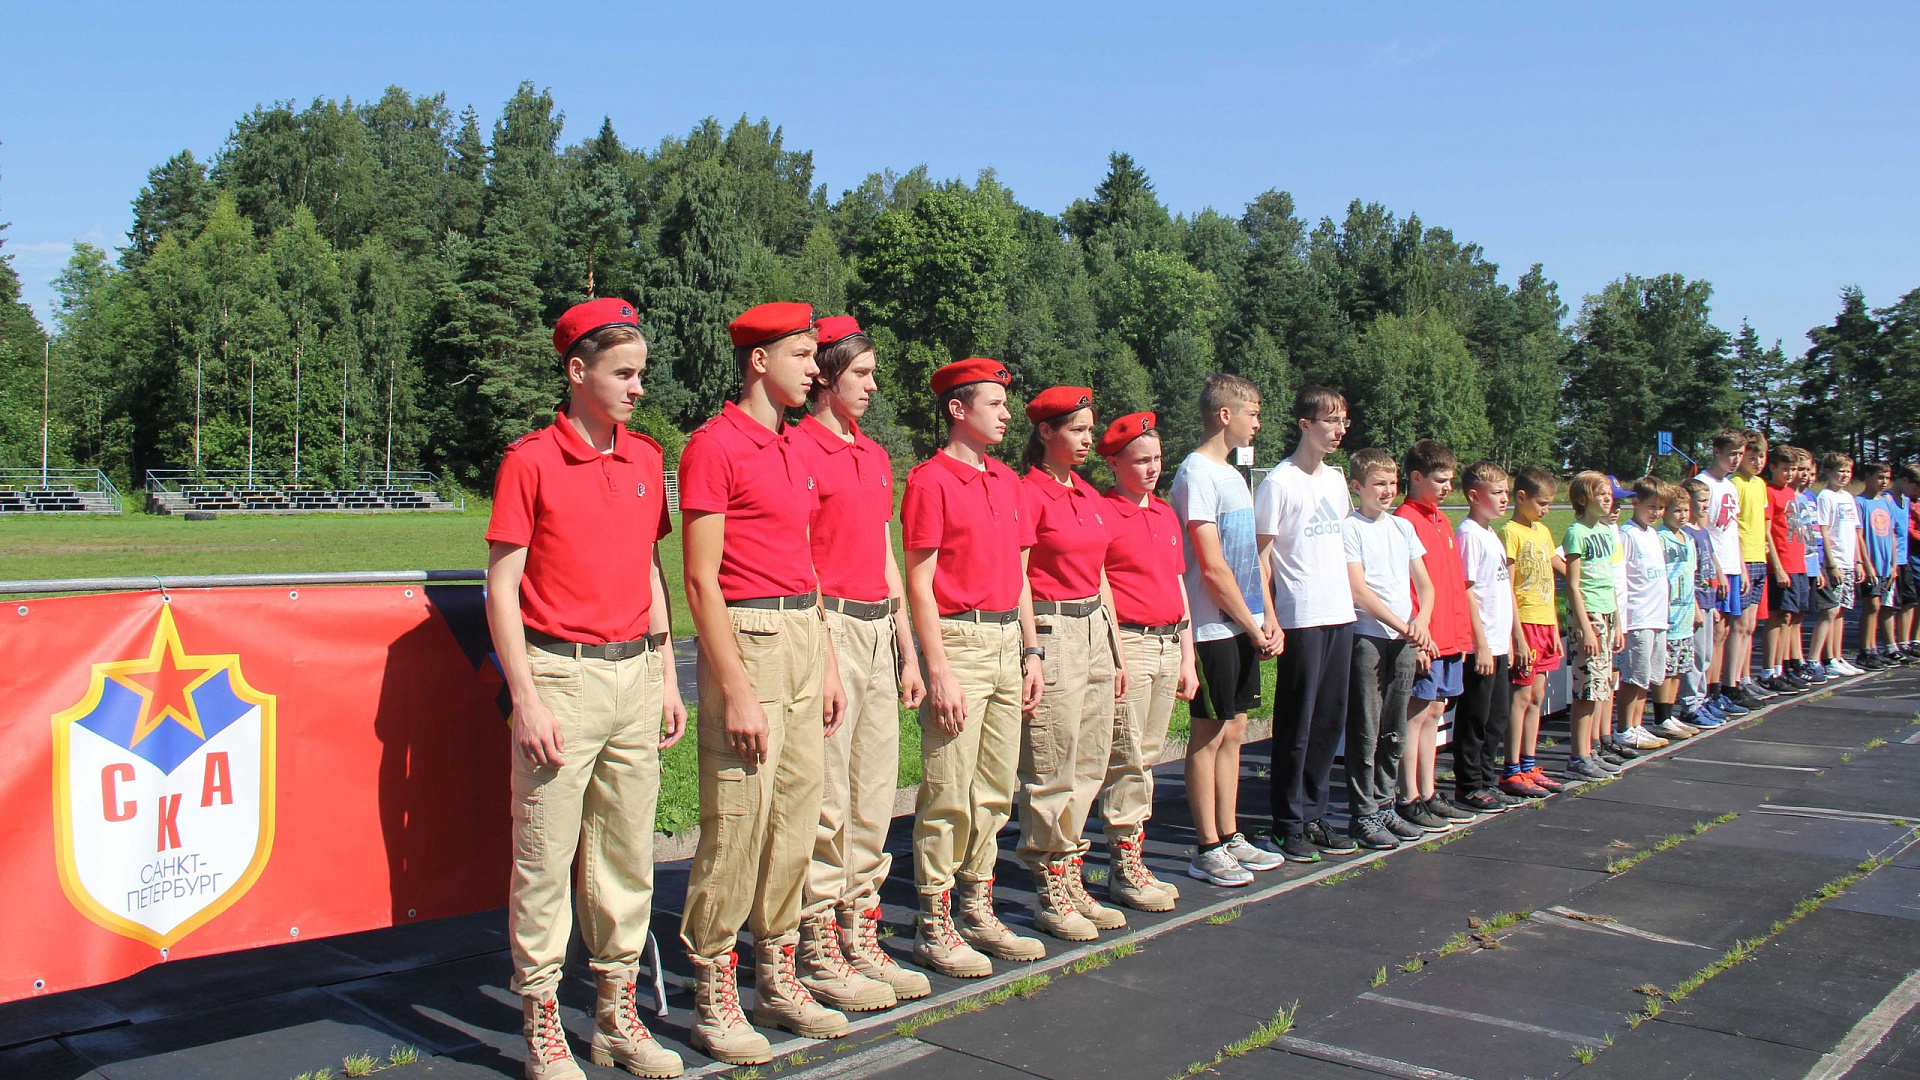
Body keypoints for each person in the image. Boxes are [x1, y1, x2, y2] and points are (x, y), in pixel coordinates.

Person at [486, 298, 686, 1080]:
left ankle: (616, 1016)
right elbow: (502, 589)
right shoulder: (529, 460)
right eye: (623, 373)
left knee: (627, 856)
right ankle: (540, 1023)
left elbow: (647, 568)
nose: (638, 387)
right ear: (578, 371)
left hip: (635, 675)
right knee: (544, 857)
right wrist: (527, 696)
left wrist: (668, 674)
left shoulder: (645, 459)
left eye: (641, 374)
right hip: (560, 680)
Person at [679, 302, 849, 1063]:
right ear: (759, 361)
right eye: (804, 355)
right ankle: (715, 992)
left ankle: (776, 978)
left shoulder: (792, 447)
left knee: (795, 820)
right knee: (737, 825)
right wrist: (737, 688)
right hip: (747, 642)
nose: (816, 369)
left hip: (804, 640)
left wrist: (830, 661)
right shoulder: (714, 447)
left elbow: (807, 565)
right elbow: (700, 580)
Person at [789, 316, 928, 1010]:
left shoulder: (874, 456)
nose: (874, 385)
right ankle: (815, 943)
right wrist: (827, 657)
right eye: (863, 373)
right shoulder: (798, 448)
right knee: (828, 800)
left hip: (877, 628)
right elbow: (802, 563)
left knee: (873, 796)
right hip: (830, 627)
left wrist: (906, 649)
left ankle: (858, 929)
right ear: (827, 375)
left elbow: (884, 553)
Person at [901, 358, 1047, 979]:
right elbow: (919, 580)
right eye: (994, 402)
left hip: (1006, 644)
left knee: (993, 789)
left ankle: (977, 905)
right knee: (947, 789)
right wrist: (937, 667)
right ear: (959, 410)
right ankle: (933, 922)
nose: (1008, 413)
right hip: (958, 642)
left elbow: (1019, 576)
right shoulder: (929, 481)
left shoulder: (1009, 482)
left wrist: (1032, 648)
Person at [1016, 385, 1130, 940]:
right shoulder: (1030, 494)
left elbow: (1102, 573)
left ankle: (1071, 871)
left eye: (1090, 429)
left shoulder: (1085, 492)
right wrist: (1030, 648)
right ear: (1046, 433)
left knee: (1089, 762)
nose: (1089, 438)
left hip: (1093, 626)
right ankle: (1048, 882)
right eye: (1079, 430)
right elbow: (1017, 577)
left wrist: (1113, 648)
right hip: (1053, 628)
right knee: (1051, 762)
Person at [1169, 374, 1284, 887]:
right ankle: (1206, 845)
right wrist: (1247, 623)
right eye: (1252, 413)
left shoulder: (1235, 474)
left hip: (1241, 624)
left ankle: (1231, 833)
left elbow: (1250, 559)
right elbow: (1212, 567)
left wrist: (1267, 619)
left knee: (1235, 730)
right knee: (1208, 733)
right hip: (1213, 627)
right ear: (1224, 415)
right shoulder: (1196, 474)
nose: (1257, 423)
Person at [1097, 412, 1197, 911]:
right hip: (1131, 643)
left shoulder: (1163, 514)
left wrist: (1188, 657)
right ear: (1115, 463)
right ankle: (1123, 863)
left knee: (1150, 754)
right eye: (1140, 460)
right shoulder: (1104, 513)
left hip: (1168, 642)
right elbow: (1103, 589)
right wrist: (1116, 654)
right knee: (1127, 755)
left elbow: (1179, 585)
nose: (1152, 468)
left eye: (1157, 458)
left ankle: (1132, 851)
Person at [1255, 385, 1359, 862]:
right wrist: (1271, 616)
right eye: (1330, 421)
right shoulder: (1280, 481)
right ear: (1305, 425)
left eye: (1343, 422)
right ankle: (1287, 821)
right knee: (1297, 722)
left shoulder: (1336, 481)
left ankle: (1315, 814)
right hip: (1301, 617)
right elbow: (1262, 554)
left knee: (1328, 721)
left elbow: (1341, 544)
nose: (1339, 430)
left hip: (1340, 612)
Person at [1341, 448, 1435, 849]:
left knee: (1394, 728)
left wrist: (1422, 624)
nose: (1387, 491)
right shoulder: (1352, 528)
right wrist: (1404, 626)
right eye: (1378, 484)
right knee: (1367, 726)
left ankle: (1385, 804)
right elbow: (1358, 590)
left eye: (1391, 483)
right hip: (1370, 638)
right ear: (1357, 487)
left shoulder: (1402, 528)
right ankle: (1363, 813)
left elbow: (1426, 585)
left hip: (1404, 640)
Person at [1395, 440, 1476, 827]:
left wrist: (1461, 637)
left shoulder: (1441, 521)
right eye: (1439, 480)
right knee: (1415, 715)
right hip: (1426, 637)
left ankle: (1428, 791)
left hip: (1448, 636)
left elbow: (1452, 586)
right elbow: (1408, 587)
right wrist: (1419, 636)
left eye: (1450, 480)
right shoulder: (1405, 520)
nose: (1447, 487)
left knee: (1435, 712)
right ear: (1416, 478)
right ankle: (1407, 795)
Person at [1453, 462, 1521, 814]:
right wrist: (1479, 643)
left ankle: (1487, 779)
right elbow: (1465, 591)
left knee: (1496, 718)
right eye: (1496, 493)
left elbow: (1501, 589)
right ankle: (1469, 784)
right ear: (1474, 495)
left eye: (1506, 492)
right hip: (1482, 645)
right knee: (1475, 717)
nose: (1504, 499)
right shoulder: (1467, 534)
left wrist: (1511, 637)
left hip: (1498, 641)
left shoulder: (1491, 534)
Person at [1564, 472, 1639, 768]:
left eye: (1610, 493)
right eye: (1602, 494)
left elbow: (1609, 581)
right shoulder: (1576, 532)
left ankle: (1593, 749)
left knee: (1603, 685)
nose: (1609, 499)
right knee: (1587, 688)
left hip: (1608, 612)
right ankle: (1578, 755)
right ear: (1583, 499)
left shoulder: (1607, 532)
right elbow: (1573, 585)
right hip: (1589, 615)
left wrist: (1618, 622)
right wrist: (1585, 627)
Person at [1608, 477, 1680, 769]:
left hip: (1656, 616)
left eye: (1661, 508)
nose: (1657, 513)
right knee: (1633, 676)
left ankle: (1637, 723)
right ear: (1635, 503)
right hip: (1637, 616)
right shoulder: (1627, 534)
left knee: (1648, 676)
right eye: (1652, 506)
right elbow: (1621, 577)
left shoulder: (1653, 534)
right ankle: (1625, 727)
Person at [1502, 466, 1564, 798]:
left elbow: (1552, 581)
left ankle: (1529, 763)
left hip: (1544, 623)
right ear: (1522, 497)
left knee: (1537, 697)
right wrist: (1518, 637)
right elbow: (1509, 589)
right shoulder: (1511, 532)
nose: (1546, 510)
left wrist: (1554, 625)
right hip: (1524, 623)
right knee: (1521, 697)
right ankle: (1511, 768)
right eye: (1542, 503)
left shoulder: (1542, 531)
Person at [1698, 431, 1754, 716]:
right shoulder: (1704, 484)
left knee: (1727, 630)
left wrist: (1741, 567)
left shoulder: (1731, 486)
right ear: (1717, 451)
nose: (1736, 460)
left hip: (1733, 565)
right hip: (1715, 568)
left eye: (1740, 454)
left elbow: (1732, 530)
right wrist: (1717, 570)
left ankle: (1719, 690)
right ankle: (1707, 693)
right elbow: (1704, 532)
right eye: (1731, 453)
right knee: (1715, 631)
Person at [1759, 445, 1813, 695]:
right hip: (1781, 563)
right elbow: (1768, 532)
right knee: (1778, 617)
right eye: (1785, 469)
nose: (1790, 474)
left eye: (1793, 469)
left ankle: (1782, 667)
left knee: (1790, 618)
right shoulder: (1769, 492)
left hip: (1797, 561)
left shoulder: (1790, 492)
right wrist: (1778, 568)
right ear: (1773, 467)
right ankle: (1769, 670)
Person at [1728, 431, 1776, 704]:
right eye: (1752, 456)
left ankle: (1744, 677)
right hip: (1744, 558)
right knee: (1739, 625)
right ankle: (1732, 682)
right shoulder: (1736, 483)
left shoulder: (1759, 484)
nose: (1757, 462)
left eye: (1761, 456)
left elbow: (1764, 521)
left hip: (1759, 556)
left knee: (1749, 626)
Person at [1657, 483, 1707, 734]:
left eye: (1686, 510)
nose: (1683, 515)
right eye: (1677, 510)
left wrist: (1697, 608)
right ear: (1665, 512)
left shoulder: (1688, 538)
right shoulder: (1661, 538)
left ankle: (1672, 712)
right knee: (1667, 668)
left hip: (1686, 612)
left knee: (1680, 666)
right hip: (1669, 612)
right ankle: (1662, 715)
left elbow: (1691, 577)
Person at [1680, 478, 1728, 726]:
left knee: (1707, 654)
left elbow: (1711, 557)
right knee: (1696, 656)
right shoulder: (1686, 533)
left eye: (1708, 501)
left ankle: (1701, 699)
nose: (1706, 506)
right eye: (1701, 501)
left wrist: (1720, 576)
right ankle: (1690, 705)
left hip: (1709, 599)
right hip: (1696, 601)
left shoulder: (1702, 531)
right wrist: (1697, 607)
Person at [1815, 453, 1864, 678]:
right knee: (1830, 610)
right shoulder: (1825, 497)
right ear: (1828, 472)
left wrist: (1858, 561)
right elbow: (1824, 531)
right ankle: (1820, 658)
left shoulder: (1848, 497)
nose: (1844, 476)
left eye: (1847, 471)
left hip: (1848, 561)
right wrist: (1831, 564)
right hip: (1834, 561)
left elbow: (1854, 532)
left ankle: (1836, 655)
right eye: (1839, 471)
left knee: (1841, 611)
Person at [1788, 449, 1832, 685]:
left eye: (1809, 471)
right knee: (1792, 616)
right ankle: (1794, 660)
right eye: (1801, 470)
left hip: (1813, 562)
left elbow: (1814, 535)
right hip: (1796, 563)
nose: (1805, 475)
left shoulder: (1811, 498)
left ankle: (1801, 659)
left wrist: (1821, 566)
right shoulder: (1790, 497)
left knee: (1802, 614)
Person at [1855, 462, 1903, 669]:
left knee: (1884, 606)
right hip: (1871, 563)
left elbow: (1892, 534)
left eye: (1887, 478)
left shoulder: (1886, 503)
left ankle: (1878, 648)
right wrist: (1866, 563)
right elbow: (1859, 536)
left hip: (1886, 564)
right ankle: (1866, 650)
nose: (1884, 482)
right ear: (1868, 477)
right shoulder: (1860, 502)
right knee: (1871, 606)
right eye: (1879, 477)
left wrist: (1893, 564)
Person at [1893, 464, 1920, 658]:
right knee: (1907, 600)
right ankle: (1902, 641)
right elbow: (1907, 530)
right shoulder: (1901, 501)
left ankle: (1914, 639)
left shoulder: (1910, 500)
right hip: (1906, 556)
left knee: (1913, 600)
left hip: (1909, 555)